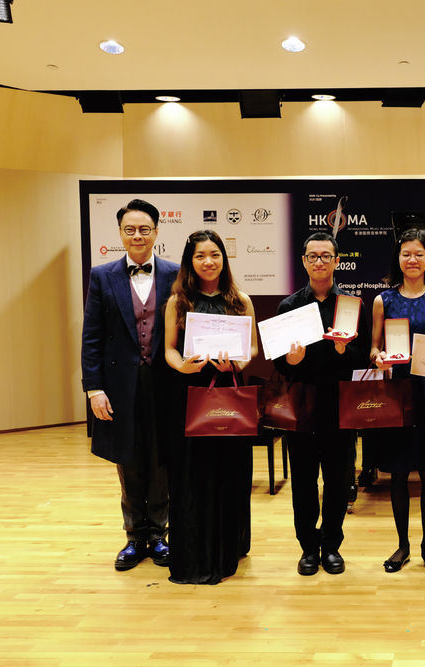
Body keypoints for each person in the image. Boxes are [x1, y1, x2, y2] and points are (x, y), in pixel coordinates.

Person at [81, 198, 180, 571]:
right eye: (129, 229)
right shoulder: (101, 276)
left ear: (156, 231)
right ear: (121, 234)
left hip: (166, 383)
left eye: (144, 229)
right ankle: (134, 537)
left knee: (161, 459)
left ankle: (158, 535)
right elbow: (92, 336)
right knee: (129, 459)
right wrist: (94, 388)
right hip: (119, 384)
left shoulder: (175, 273)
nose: (137, 235)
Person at [163, 230, 258, 585]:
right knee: (192, 474)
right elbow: (170, 349)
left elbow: (251, 350)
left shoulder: (240, 300)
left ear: (224, 258)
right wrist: (182, 366)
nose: (208, 262)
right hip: (190, 394)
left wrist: (234, 362)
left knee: (227, 472)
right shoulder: (179, 301)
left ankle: (227, 547)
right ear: (190, 260)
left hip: (229, 393)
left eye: (215, 254)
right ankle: (193, 551)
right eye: (200, 255)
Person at [273, 232, 370, 576]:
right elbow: (280, 364)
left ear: (337, 261)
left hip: (339, 403)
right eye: (312, 256)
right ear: (303, 262)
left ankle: (331, 545)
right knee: (302, 479)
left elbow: (364, 356)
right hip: (301, 403)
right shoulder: (289, 307)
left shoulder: (352, 305)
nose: (319, 262)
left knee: (336, 478)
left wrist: (346, 350)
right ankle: (307, 547)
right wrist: (293, 360)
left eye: (326, 256)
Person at [371, 228, 425, 575]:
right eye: (406, 253)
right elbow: (374, 347)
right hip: (397, 391)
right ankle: (402, 545)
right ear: (398, 258)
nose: (412, 260)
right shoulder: (384, 300)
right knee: (397, 472)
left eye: (419, 254)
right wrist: (378, 358)